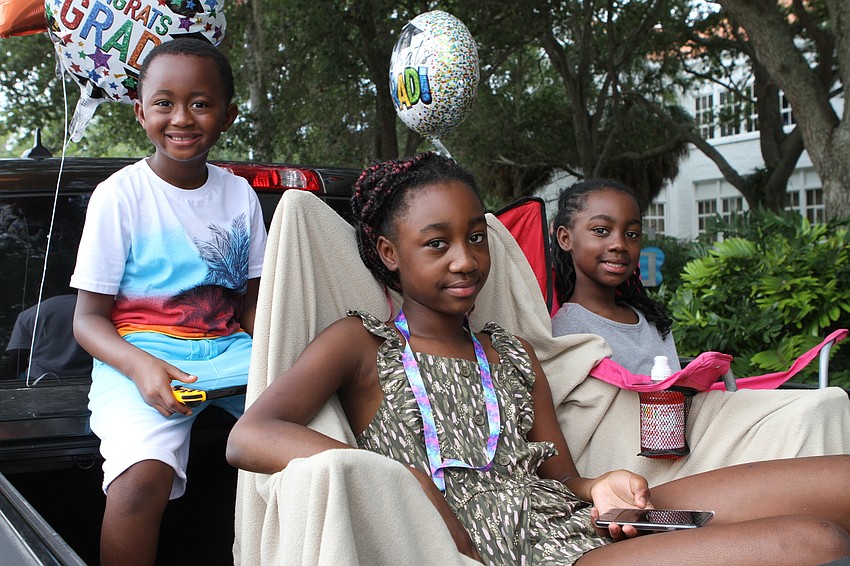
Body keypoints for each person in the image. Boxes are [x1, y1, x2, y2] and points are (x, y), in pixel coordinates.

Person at [226, 153, 850, 565]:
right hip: (524, 556)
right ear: (389, 253)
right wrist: (395, 476)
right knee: (815, 542)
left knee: (837, 481)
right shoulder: (359, 341)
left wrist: (601, 487)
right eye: (436, 244)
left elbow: (560, 476)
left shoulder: (513, 352)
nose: (465, 260)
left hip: (572, 523)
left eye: (475, 237)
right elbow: (250, 436)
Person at [71, 38, 267, 566]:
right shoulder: (120, 196)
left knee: (312, 440)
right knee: (139, 483)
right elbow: (87, 322)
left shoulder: (239, 196)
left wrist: (285, 356)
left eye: (201, 103)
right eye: (164, 102)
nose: (182, 117)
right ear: (140, 112)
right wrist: (140, 368)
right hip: (140, 353)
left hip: (231, 352)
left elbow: (250, 305)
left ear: (226, 116)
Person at [550, 179, 679, 375]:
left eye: (632, 234)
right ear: (565, 239)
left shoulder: (652, 321)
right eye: (601, 231)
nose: (619, 244)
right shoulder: (565, 332)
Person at [4, 293, 92, 382]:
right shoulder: (96, 311)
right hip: (89, 379)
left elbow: (17, 358)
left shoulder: (29, 314)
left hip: (37, 379)